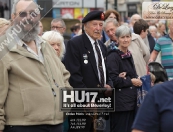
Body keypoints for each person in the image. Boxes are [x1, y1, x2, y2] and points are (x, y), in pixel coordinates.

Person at [0, 0, 72, 132]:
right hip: (22, 126)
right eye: (23, 14)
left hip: (56, 124)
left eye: (33, 13)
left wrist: (65, 108)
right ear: (13, 17)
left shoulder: (45, 45)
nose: (28, 18)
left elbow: (64, 76)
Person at [64, 10, 113, 132]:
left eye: (101, 25)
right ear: (85, 26)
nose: (98, 28)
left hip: (100, 104)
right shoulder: (75, 44)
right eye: (94, 24)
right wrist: (87, 99)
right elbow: (74, 76)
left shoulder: (101, 46)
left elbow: (106, 71)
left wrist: (110, 85)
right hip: (82, 106)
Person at [107, 25, 142, 132]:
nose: (126, 40)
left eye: (127, 36)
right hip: (120, 105)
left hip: (130, 102)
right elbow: (112, 80)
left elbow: (132, 75)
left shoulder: (128, 54)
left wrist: (137, 78)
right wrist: (131, 81)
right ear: (117, 39)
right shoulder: (113, 56)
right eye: (122, 37)